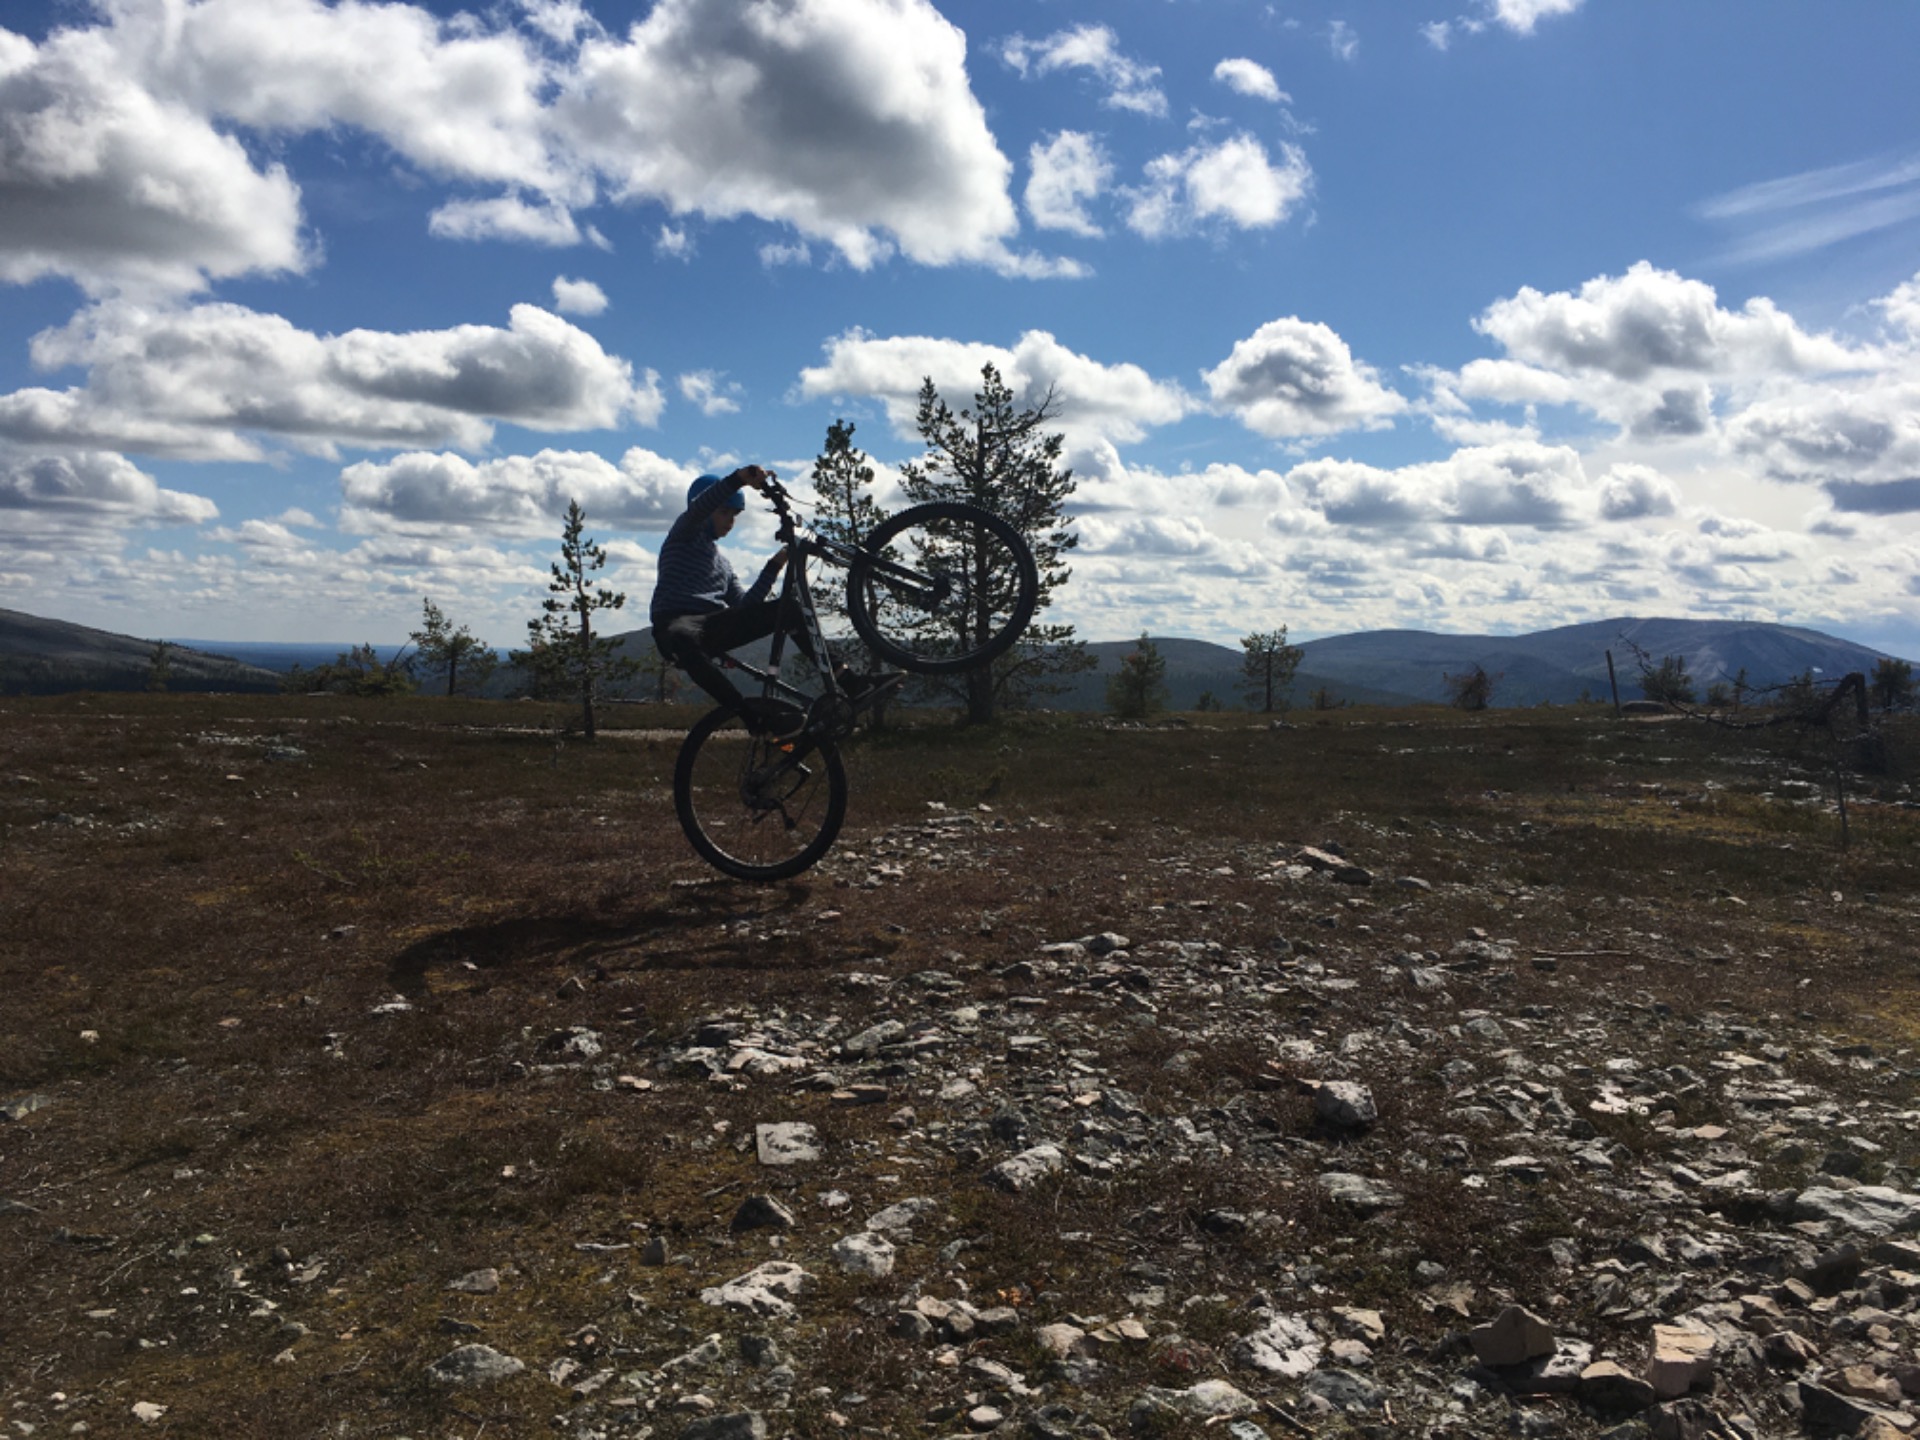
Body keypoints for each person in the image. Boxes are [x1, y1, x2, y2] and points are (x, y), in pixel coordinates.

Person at [649, 466, 879, 736]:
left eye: (735, 514)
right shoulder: (684, 533)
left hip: (712, 625)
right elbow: (701, 507)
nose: (730, 520)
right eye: (724, 512)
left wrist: (774, 565)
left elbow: (745, 606)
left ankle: (850, 682)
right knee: (682, 635)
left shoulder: (723, 565)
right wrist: (738, 479)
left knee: (788, 609)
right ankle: (752, 717)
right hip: (675, 623)